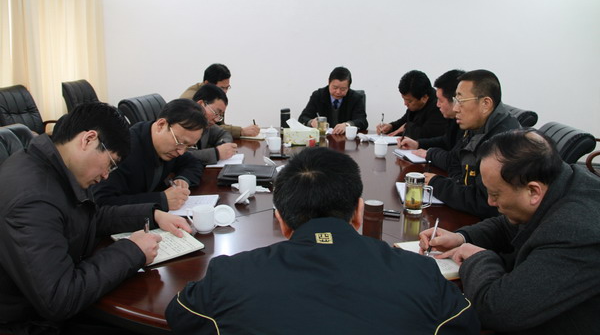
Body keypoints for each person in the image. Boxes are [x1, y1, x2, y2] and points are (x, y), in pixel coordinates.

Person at [165, 147, 480, 335]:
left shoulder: (229, 276)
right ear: (359, 213)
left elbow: (180, 315)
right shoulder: (421, 274)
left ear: (281, 221)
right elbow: (466, 324)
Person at [0, 102, 191, 335]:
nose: (106, 176)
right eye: (110, 164)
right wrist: (132, 251)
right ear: (88, 139)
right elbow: (59, 298)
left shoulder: (54, 166)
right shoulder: (33, 199)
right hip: (31, 323)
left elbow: (89, 215)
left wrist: (153, 215)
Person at [419, 129, 600, 334]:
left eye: (495, 194)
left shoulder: (576, 230)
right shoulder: (558, 182)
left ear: (533, 191)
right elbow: (507, 224)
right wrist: (462, 237)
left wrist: (478, 257)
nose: (490, 202)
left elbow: (498, 311)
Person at [424, 69, 520, 219]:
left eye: (461, 101)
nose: (455, 108)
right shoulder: (475, 127)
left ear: (485, 104)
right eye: (455, 100)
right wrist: (459, 184)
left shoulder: (503, 143)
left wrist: (437, 184)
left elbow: (485, 203)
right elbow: (455, 161)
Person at [93, 99, 207, 211]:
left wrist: (183, 179)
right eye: (180, 142)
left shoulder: (171, 148)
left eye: (189, 146)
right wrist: (160, 200)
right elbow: (102, 202)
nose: (181, 152)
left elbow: (193, 162)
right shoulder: (123, 152)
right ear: (161, 125)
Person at [399, 69, 465, 172]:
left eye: (441, 100)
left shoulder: (470, 125)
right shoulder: (453, 118)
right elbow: (446, 141)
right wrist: (417, 144)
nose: (437, 104)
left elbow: (455, 160)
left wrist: (429, 154)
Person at [180, 63, 260, 138]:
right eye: (222, 88)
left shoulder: (216, 97)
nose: (225, 92)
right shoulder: (190, 100)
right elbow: (205, 128)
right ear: (207, 83)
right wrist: (240, 131)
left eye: (227, 88)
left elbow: (218, 125)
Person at [377, 70, 446, 139]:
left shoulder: (438, 106)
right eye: (404, 99)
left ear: (424, 97)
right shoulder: (416, 103)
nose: (405, 103)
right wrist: (391, 126)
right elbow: (405, 120)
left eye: (409, 101)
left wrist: (407, 127)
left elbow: (427, 134)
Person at [298, 66, 368, 134]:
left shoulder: (355, 98)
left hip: (346, 139)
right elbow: (302, 118)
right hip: (324, 137)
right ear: (329, 82)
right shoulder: (318, 95)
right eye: (335, 87)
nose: (338, 92)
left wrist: (347, 125)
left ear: (348, 87)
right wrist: (311, 122)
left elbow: (363, 121)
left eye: (343, 89)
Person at [190, 84, 238, 165]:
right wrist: (217, 153)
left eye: (220, 115)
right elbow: (180, 157)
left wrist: (223, 146)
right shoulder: (181, 123)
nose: (216, 119)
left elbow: (223, 134)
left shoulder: (206, 124)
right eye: (216, 113)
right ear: (200, 104)